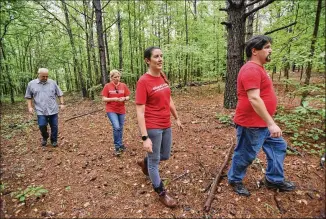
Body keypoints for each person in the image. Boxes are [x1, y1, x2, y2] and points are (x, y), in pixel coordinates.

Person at [227, 35, 296, 197]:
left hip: (262, 123)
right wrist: (271, 123)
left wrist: (269, 121)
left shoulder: (259, 68)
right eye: (266, 47)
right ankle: (235, 179)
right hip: (251, 124)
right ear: (254, 51)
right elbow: (254, 98)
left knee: (278, 146)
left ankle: (274, 179)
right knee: (245, 154)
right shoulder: (251, 69)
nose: (270, 50)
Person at [135, 46, 183, 208]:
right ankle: (161, 193)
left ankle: (144, 162)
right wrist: (145, 137)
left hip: (166, 123)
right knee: (155, 163)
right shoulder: (143, 81)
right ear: (147, 60)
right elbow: (140, 111)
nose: (160, 59)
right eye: (156, 56)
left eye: (161, 56)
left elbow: (169, 99)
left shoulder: (162, 76)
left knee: (165, 155)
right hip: (153, 126)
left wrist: (176, 118)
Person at [25, 68, 64, 147]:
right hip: (40, 110)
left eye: (47, 76)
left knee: (54, 126)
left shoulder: (52, 83)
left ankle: (54, 140)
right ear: (38, 75)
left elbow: (60, 94)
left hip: (53, 109)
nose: (45, 78)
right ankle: (45, 137)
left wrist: (62, 103)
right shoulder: (31, 84)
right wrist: (30, 107)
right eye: (43, 76)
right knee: (42, 125)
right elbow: (28, 97)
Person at [102, 69, 130, 156]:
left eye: (118, 77)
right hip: (111, 109)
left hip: (121, 109)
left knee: (120, 128)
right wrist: (114, 99)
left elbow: (128, 96)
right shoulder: (107, 86)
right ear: (111, 78)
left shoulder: (123, 85)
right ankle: (117, 146)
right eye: (115, 77)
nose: (117, 78)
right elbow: (104, 99)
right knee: (116, 127)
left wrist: (124, 98)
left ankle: (120, 144)